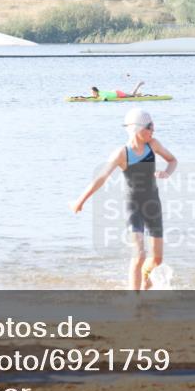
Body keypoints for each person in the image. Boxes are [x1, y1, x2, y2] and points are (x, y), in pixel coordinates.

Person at [71, 108, 177, 290]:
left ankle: (146, 278)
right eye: (150, 126)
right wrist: (80, 200)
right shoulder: (122, 153)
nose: (153, 130)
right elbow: (101, 178)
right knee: (139, 255)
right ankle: (135, 299)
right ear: (138, 129)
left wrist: (167, 173)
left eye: (153, 125)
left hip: (153, 205)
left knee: (157, 259)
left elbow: (172, 160)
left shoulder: (153, 145)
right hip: (133, 207)